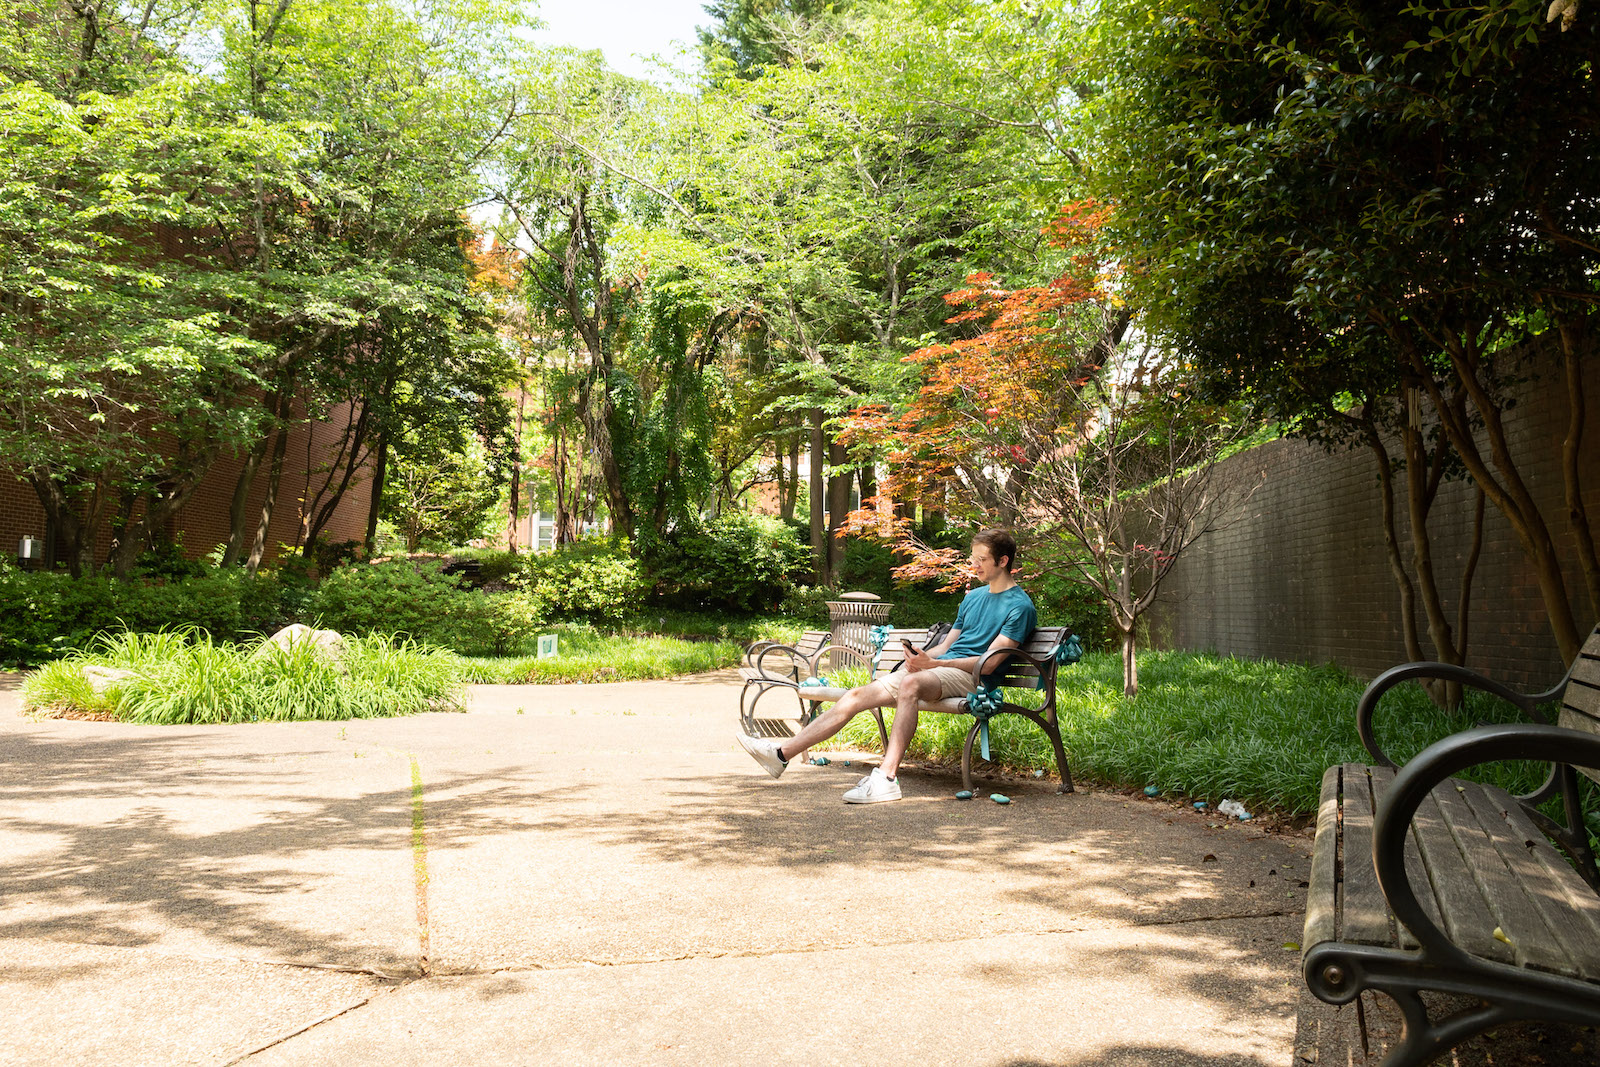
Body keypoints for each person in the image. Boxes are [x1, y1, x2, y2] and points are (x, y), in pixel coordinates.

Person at [737, 528, 1037, 804]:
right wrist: (922, 658)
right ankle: (781, 754)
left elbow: (990, 662)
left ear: (1003, 560)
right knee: (856, 695)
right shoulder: (972, 598)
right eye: (974, 558)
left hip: (973, 680)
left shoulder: (1019, 606)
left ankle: (887, 778)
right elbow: (947, 646)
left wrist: (934, 663)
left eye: (982, 559)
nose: (975, 565)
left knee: (910, 685)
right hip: (941, 670)